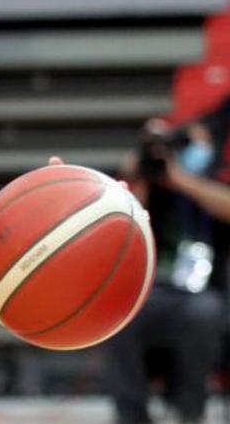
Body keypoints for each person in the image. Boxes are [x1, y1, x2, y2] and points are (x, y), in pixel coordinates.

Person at [107, 118, 230, 424]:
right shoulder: (134, 185)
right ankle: (132, 415)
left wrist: (180, 180)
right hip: (145, 291)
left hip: (198, 294)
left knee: (204, 314)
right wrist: (144, 180)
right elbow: (121, 229)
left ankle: (190, 411)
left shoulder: (208, 178)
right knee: (115, 316)